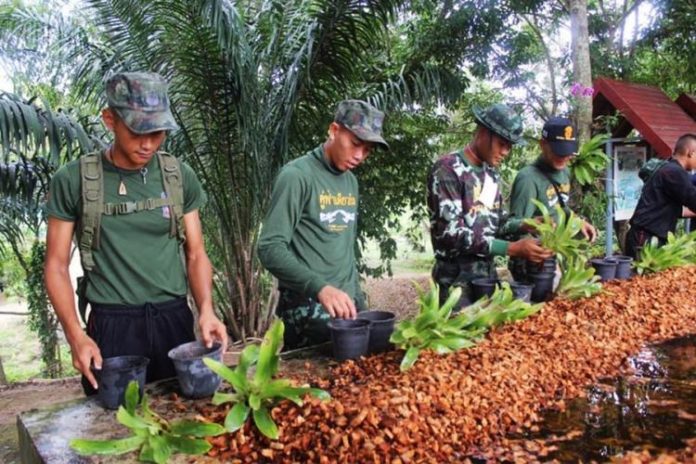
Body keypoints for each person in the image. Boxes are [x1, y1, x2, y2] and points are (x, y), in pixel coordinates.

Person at [44, 71, 228, 394]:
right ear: (110, 120)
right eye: (137, 131)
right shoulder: (74, 181)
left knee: (187, 421)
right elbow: (56, 265)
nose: (148, 143)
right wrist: (76, 335)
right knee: (116, 428)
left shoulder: (177, 176)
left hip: (174, 321)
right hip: (114, 329)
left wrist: (207, 310)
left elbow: (196, 253)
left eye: (158, 133)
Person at [258, 100, 388, 350]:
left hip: (347, 309)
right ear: (333, 130)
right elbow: (269, 247)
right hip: (307, 312)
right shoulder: (296, 176)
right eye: (356, 144)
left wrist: (358, 302)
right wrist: (320, 288)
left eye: (368, 149)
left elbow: (345, 248)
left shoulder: (351, 182)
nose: (360, 156)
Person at [427, 103, 553, 307]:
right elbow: (451, 234)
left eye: (510, 146)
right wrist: (511, 248)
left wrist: (525, 224)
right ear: (484, 133)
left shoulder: (490, 174)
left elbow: (495, 223)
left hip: (486, 278)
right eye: (502, 143)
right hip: (455, 282)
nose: (506, 152)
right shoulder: (447, 169)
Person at [507, 117, 597, 281]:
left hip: (559, 259)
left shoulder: (564, 172)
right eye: (558, 150)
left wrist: (577, 221)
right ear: (543, 145)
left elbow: (559, 208)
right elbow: (511, 227)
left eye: (567, 151)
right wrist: (533, 227)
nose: (563, 157)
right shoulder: (528, 179)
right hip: (537, 265)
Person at [625, 133, 696, 258]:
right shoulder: (674, 172)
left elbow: (671, 208)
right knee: (643, 277)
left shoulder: (667, 168)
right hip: (645, 238)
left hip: (647, 236)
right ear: (691, 153)